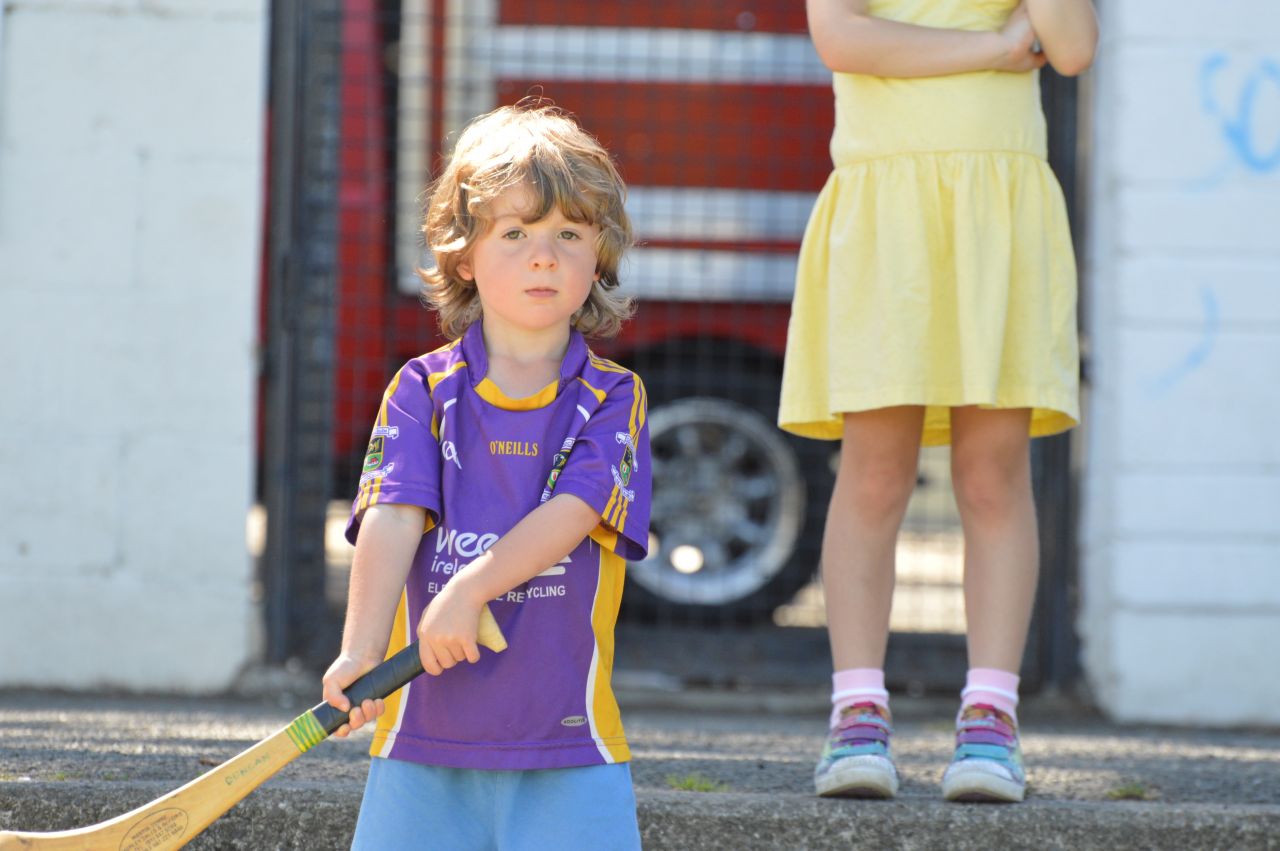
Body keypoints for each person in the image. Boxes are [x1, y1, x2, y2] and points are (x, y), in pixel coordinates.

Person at [779, 0, 1098, 803]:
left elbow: (1072, 46)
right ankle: (857, 715)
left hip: (1000, 210)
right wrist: (993, 44)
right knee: (875, 474)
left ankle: (990, 720)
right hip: (888, 208)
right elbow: (842, 38)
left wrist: (988, 45)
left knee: (994, 476)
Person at [320, 103, 650, 848]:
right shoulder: (420, 389)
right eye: (516, 233)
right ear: (464, 254)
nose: (545, 256)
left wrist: (467, 588)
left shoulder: (614, 397)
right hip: (420, 748)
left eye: (569, 233)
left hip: (568, 749)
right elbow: (393, 513)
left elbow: (574, 509)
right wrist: (361, 652)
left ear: (599, 253)